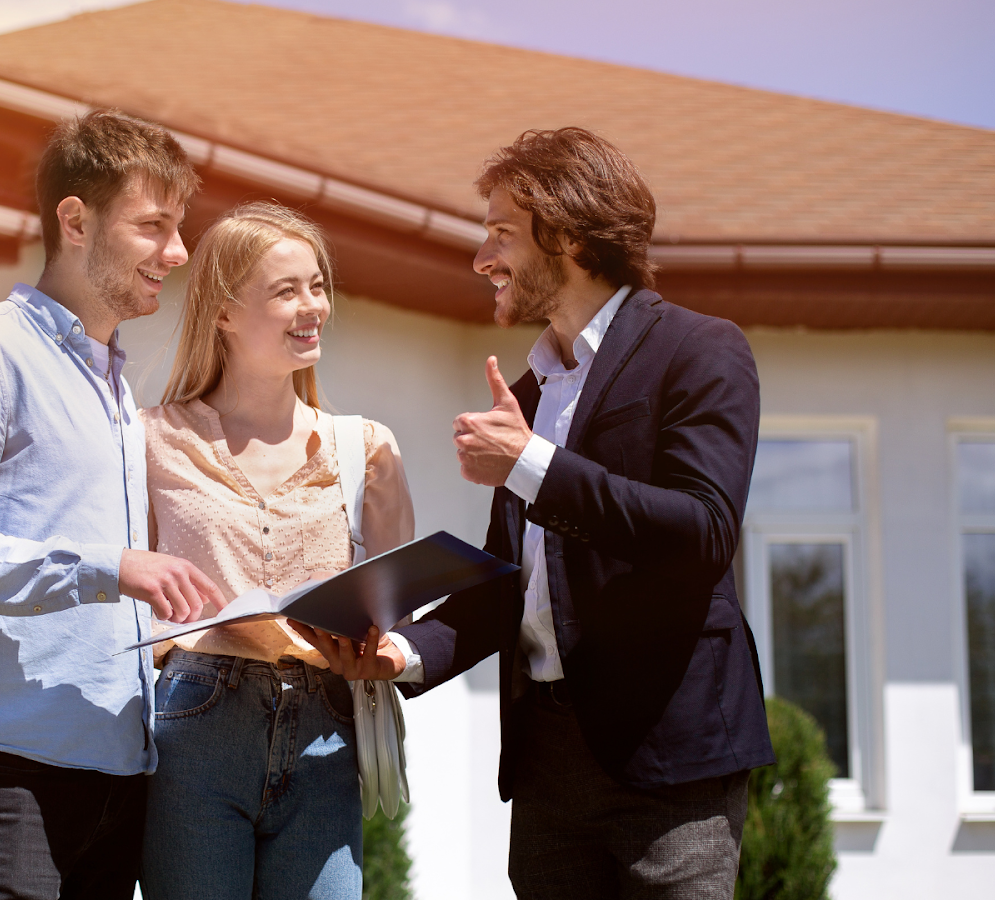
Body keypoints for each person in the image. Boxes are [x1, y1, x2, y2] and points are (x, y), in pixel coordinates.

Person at [296, 127, 774, 899]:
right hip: (548, 764)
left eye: (500, 235)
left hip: (670, 758)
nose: (482, 259)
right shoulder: (524, 396)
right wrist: (405, 652)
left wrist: (529, 464)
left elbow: (702, 532)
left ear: (573, 236)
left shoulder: (700, 350)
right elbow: (508, 583)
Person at [0, 109, 227, 900]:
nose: (176, 254)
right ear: (74, 221)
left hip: (120, 777)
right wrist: (109, 568)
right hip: (11, 775)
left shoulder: (115, 385)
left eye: (178, 228)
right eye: (153, 226)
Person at [136, 202, 416, 900]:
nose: (311, 306)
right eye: (286, 291)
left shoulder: (367, 450)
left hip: (326, 722)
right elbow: (124, 600)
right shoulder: (150, 440)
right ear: (224, 313)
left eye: (317, 286)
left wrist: (373, 626)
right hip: (196, 722)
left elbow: (399, 604)